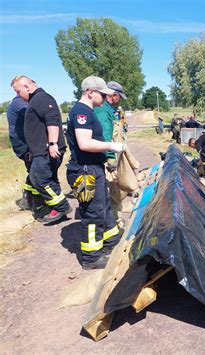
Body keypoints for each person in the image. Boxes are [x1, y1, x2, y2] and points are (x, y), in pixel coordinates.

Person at [65, 76, 126, 270]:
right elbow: (84, 143)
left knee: (104, 207)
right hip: (85, 171)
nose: (104, 97)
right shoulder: (81, 113)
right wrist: (111, 146)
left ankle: (110, 240)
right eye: (102, 94)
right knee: (92, 213)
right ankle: (91, 257)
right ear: (90, 92)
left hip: (93, 168)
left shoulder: (88, 111)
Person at [11, 75, 72, 224]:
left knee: (39, 179)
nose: (18, 95)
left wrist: (52, 143)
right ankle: (57, 209)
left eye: (18, 91)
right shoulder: (36, 100)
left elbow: (52, 119)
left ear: (27, 86)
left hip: (45, 150)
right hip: (40, 150)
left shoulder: (41, 98)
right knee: (48, 179)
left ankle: (61, 206)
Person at [6, 94, 33, 210]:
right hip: (24, 146)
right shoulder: (19, 103)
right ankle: (29, 200)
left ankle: (27, 200)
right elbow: (33, 115)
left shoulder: (19, 102)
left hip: (25, 144)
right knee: (36, 171)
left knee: (34, 170)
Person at [93, 81, 127, 168]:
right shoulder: (103, 110)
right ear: (114, 95)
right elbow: (104, 135)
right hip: (105, 158)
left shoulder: (109, 109)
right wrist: (110, 158)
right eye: (120, 97)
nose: (120, 100)